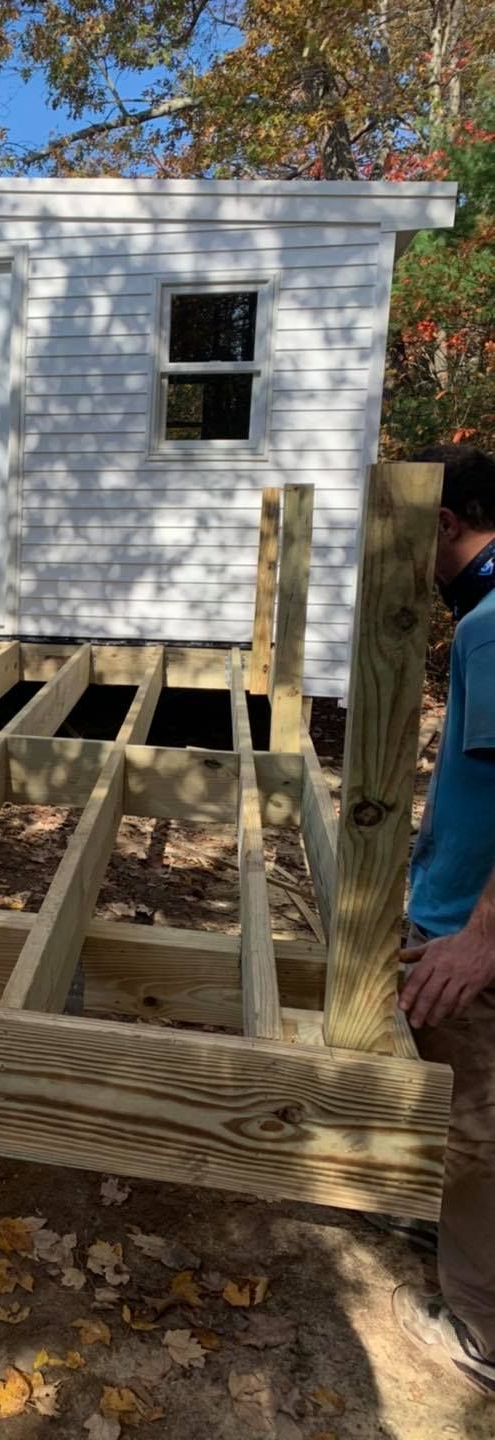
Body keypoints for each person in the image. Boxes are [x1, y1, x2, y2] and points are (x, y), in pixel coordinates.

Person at [390, 443, 495, 1396]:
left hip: (474, 932)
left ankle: (483, 1330)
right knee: (458, 1103)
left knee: (477, 1125)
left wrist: (479, 937)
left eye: (412, 524)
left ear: (449, 522)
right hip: (452, 913)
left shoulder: (494, 624)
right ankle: (444, 1221)